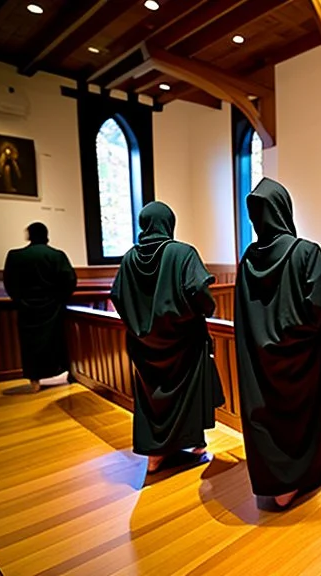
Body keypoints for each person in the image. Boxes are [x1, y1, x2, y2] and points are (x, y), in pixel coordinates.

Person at [235, 178, 321, 509]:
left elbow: (243, 314)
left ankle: (281, 485)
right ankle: (312, 471)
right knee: (310, 415)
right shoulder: (304, 252)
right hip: (303, 357)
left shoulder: (247, 260)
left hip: (260, 358)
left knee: (271, 416)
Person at [110, 202, 225, 474]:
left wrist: (138, 324)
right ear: (168, 223)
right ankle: (194, 443)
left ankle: (155, 454)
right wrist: (203, 310)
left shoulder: (129, 258)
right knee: (188, 392)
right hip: (184, 339)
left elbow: (116, 295)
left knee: (152, 396)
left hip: (143, 344)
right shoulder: (182, 252)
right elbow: (200, 292)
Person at [3, 222, 77, 392]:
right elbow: (69, 280)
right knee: (57, 342)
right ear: (46, 235)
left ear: (29, 235)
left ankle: (34, 380)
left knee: (30, 346)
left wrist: (20, 300)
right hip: (52, 308)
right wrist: (59, 299)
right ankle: (66, 374)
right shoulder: (56, 256)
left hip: (26, 309)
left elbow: (9, 282)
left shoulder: (15, 256)